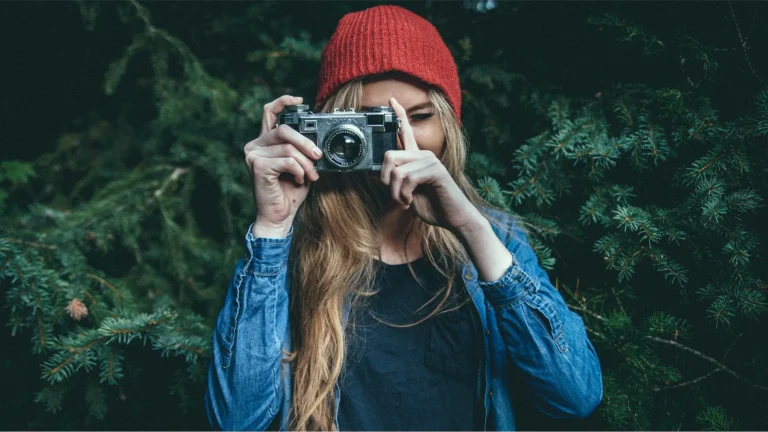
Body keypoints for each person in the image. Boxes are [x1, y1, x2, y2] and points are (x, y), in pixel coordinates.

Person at [205, 5, 602, 431]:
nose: (400, 141)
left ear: (449, 123)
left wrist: (470, 227)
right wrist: (271, 229)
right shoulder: (291, 249)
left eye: (419, 117)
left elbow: (575, 396)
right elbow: (234, 421)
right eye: (372, 122)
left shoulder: (493, 239)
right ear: (332, 130)